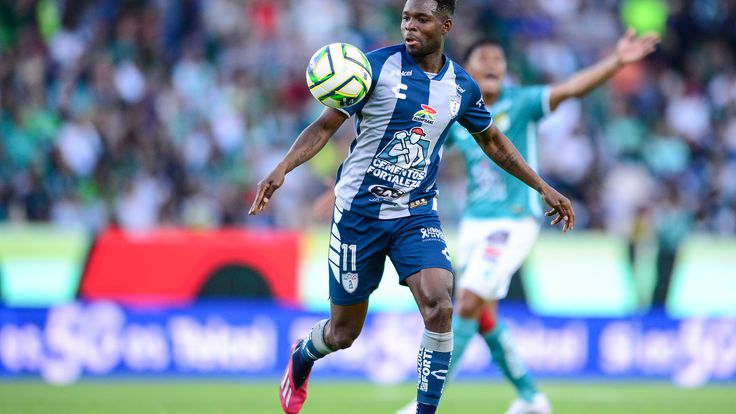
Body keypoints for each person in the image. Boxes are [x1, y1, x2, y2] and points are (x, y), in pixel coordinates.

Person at [249, 1, 574, 413]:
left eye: (421, 19)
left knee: (440, 304)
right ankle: (303, 354)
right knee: (343, 333)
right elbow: (325, 126)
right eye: (406, 18)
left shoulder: (461, 86)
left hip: (415, 212)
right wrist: (283, 168)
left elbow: (492, 142)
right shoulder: (372, 68)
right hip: (358, 215)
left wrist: (541, 186)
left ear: (446, 25)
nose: (410, 26)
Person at [397, 29, 660, 414]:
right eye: (483, 59)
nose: (492, 65)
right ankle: (531, 397)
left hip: (513, 221)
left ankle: (424, 404)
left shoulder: (521, 103)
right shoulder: (458, 113)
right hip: (473, 225)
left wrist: (618, 61)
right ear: (468, 69)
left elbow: (572, 88)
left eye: (498, 59)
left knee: (466, 303)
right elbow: (420, 144)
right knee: (483, 316)